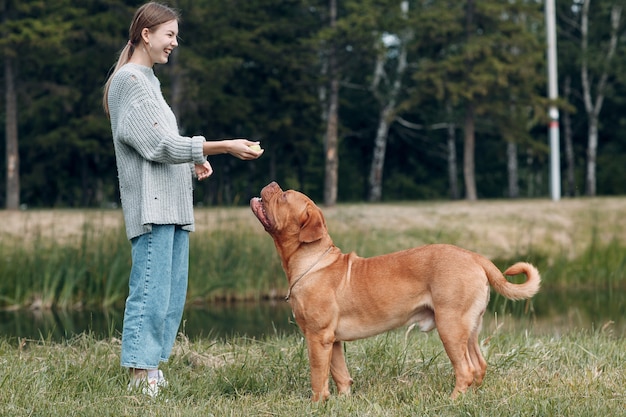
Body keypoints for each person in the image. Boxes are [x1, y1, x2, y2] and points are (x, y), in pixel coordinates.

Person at [102, 2, 263, 397]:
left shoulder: (149, 81)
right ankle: (140, 377)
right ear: (147, 34)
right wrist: (221, 146)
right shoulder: (130, 81)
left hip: (172, 205)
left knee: (170, 294)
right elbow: (157, 144)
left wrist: (194, 160)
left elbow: (161, 144)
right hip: (153, 207)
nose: (175, 42)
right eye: (170, 34)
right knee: (150, 292)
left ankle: (151, 368)